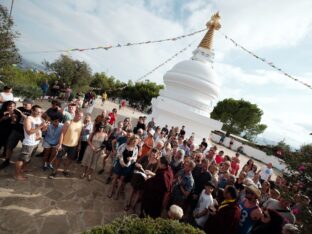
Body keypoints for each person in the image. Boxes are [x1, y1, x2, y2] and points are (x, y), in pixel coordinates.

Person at [49, 110, 84, 178]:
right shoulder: (68, 122)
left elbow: (80, 136)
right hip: (64, 144)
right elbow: (62, 133)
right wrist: (60, 144)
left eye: (81, 117)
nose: (80, 118)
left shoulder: (81, 124)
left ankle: (65, 170)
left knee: (69, 159)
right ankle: (54, 171)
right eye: (79, 116)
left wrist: (79, 145)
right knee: (59, 158)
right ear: (75, 114)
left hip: (74, 145)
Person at [15, 105, 46, 180]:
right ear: (32, 110)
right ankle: (17, 175)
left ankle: (23, 169)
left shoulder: (40, 118)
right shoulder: (28, 119)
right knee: (21, 159)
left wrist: (45, 126)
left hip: (36, 142)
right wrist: (41, 126)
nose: (39, 113)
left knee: (28, 158)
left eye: (40, 112)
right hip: (29, 143)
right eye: (37, 111)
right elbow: (29, 132)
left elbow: (43, 130)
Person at [0, 99, 32, 169]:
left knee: (26, 149)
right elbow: (14, 119)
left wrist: (24, 116)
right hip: (15, 131)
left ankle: (24, 163)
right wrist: (12, 115)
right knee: (9, 146)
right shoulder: (19, 109)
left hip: (25, 133)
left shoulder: (33, 111)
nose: (24, 106)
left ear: (31, 104)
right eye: (23, 104)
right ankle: (7, 160)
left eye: (26, 104)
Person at [108, 135, 139, 199]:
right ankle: (111, 191)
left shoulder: (136, 148)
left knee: (121, 180)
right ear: (131, 140)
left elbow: (135, 158)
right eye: (134, 141)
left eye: (136, 142)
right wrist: (121, 161)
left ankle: (117, 193)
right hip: (119, 164)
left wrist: (131, 158)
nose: (135, 143)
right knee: (115, 178)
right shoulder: (124, 145)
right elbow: (118, 153)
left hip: (127, 166)